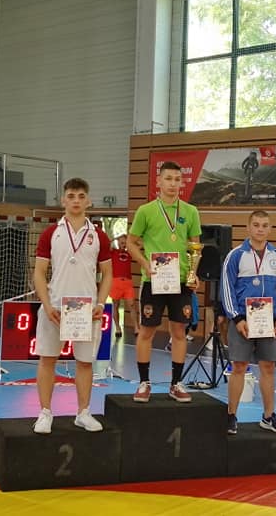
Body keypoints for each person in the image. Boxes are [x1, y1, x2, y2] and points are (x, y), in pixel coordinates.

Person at [32, 178, 113, 434]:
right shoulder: (50, 233)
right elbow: (39, 273)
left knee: (85, 362)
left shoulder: (99, 235)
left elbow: (107, 274)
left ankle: (83, 413)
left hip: (86, 310)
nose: (76, 200)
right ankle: (45, 413)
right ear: (63, 200)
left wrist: (101, 303)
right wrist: (46, 305)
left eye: (80, 196)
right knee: (47, 359)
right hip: (55, 307)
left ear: (88, 201)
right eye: (71, 196)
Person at [127, 161, 202, 403]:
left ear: (182, 183)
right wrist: (145, 263)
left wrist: (193, 274)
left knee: (179, 331)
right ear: (158, 181)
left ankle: (176, 383)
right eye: (168, 179)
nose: (172, 184)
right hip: (154, 280)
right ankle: (144, 382)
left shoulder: (190, 212)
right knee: (147, 330)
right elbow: (130, 242)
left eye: (177, 179)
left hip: (180, 282)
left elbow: (195, 247)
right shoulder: (146, 211)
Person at [220, 211, 276, 435]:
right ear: (248, 228)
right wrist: (236, 318)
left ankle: (268, 417)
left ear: (270, 229)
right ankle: (231, 416)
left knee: (268, 367)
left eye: (265, 225)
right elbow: (226, 288)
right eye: (256, 225)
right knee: (239, 367)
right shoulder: (235, 255)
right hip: (242, 320)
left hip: (269, 321)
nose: (260, 229)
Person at [108, 234, 136, 338]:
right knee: (116, 305)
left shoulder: (130, 253)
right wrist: (116, 238)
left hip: (127, 282)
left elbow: (141, 245)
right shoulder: (113, 252)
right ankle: (118, 328)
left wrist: (130, 241)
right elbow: (106, 244)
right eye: (121, 242)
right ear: (118, 243)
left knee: (132, 305)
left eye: (125, 243)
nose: (123, 245)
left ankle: (136, 327)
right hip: (116, 281)